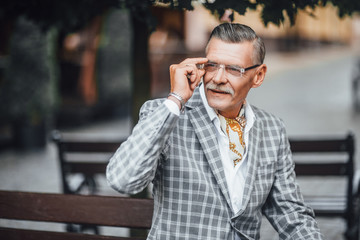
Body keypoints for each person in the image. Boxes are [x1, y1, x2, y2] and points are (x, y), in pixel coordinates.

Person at [106, 23, 324, 240]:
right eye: (212, 65)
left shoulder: (272, 129)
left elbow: (291, 215)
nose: (218, 78)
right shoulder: (165, 115)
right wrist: (176, 100)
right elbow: (123, 180)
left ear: (258, 76)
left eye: (233, 69)